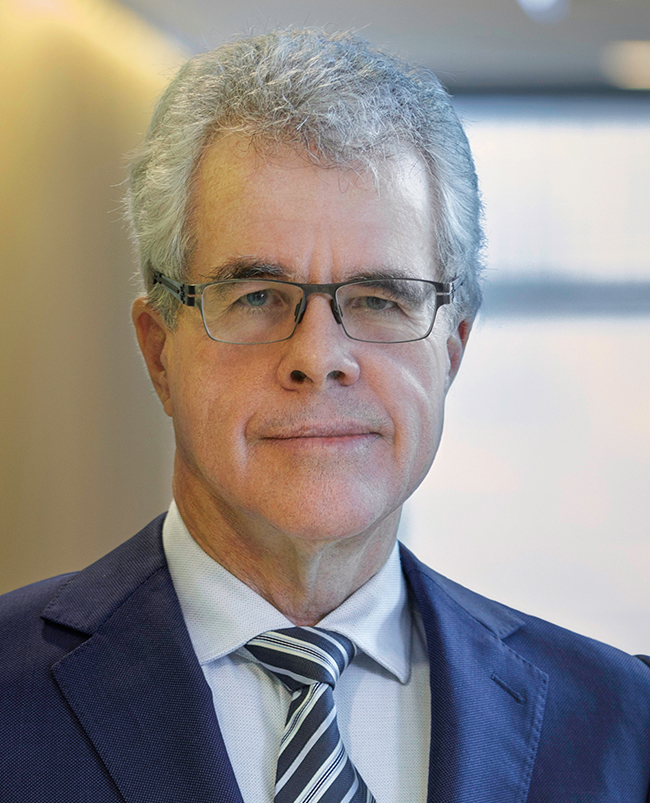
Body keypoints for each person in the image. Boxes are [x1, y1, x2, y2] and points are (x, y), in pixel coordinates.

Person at [1, 28, 649, 803]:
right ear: (159, 350)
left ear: (452, 350)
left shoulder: (618, 721)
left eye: (379, 298)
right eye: (256, 296)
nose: (319, 356)